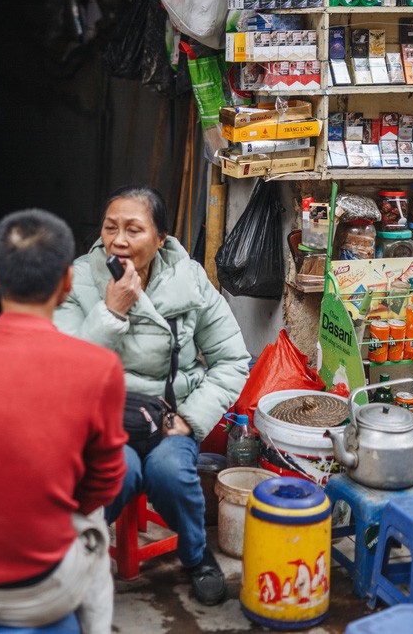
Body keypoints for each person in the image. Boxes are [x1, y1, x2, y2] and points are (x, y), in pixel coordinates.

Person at [0, 209, 127, 633]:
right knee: (95, 535)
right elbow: (104, 482)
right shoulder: (99, 367)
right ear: (67, 284)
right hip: (46, 589)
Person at [54, 184, 251, 606]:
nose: (119, 240)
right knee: (114, 476)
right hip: (103, 421)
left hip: (169, 417)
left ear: (161, 238)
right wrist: (110, 312)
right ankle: (70, 563)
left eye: (133, 229)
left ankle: (197, 557)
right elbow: (65, 368)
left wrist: (191, 420)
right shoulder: (79, 280)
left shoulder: (190, 280)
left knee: (169, 474)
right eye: (110, 228)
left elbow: (233, 359)